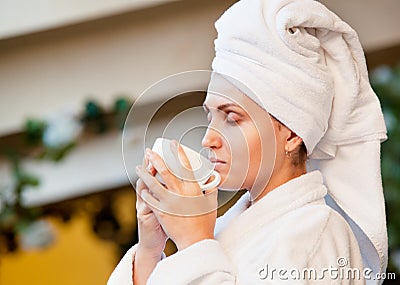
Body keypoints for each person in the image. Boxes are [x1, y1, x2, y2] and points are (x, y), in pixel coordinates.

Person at [108, 0, 388, 284]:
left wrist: (193, 241)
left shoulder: (316, 234)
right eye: (209, 116)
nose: (208, 139)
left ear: (291, 134)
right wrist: (150, 249)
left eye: (231, 118)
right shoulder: (229, 227)